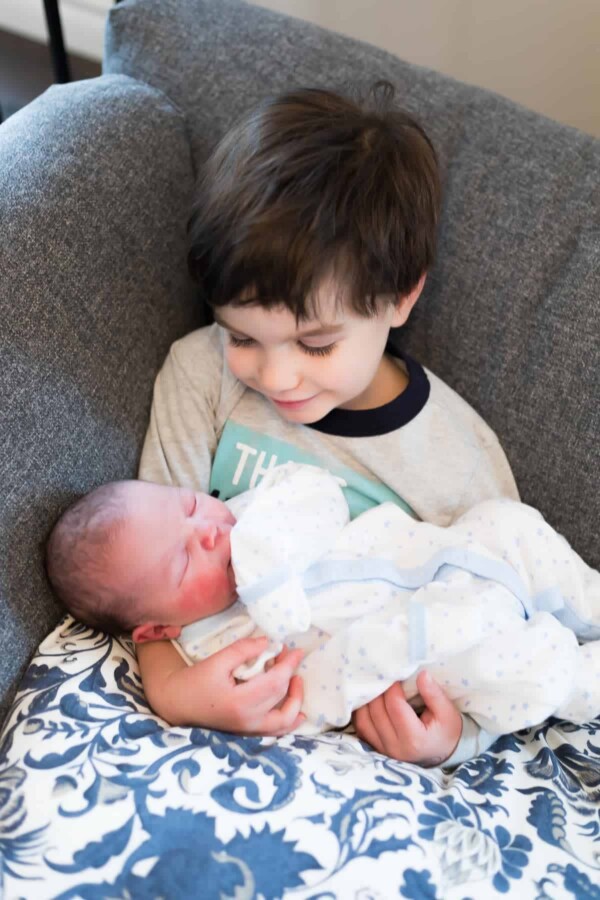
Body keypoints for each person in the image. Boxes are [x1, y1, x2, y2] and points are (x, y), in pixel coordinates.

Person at [135, 84, 521, 767]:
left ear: (402, 297)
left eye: (316, 345)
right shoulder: (199, 376)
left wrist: (456, 738)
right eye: (242, 336)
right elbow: (145, 571)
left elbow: (501, 635)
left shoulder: (457, 463)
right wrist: (176, 693)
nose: (277, 378)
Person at [46, 463, 600, 744]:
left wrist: (265, 568)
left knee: (512, 522)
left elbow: (321, 495)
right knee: (540, 676)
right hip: (441, 644)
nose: (208, 532)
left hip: (466, 549)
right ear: (156, 629)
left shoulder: (255, 512)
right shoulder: (217, 658)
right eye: (183, 561)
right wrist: (397, 645)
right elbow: (310, 700)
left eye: (190, 506)